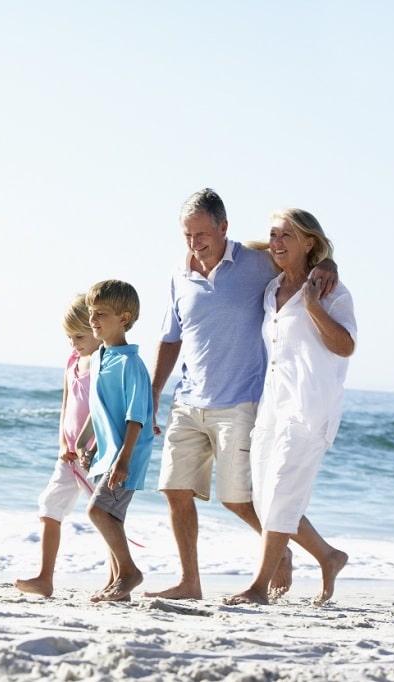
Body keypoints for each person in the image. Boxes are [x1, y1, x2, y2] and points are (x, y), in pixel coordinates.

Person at [144, 188, 338, 601]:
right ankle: (190, 582)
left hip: (240, 403)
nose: (195, 244)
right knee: (175, 491)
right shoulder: (180, 273)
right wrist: (155, 392)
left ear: (223, 228)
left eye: (202, 234)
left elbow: (302, 258)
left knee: (239, 500)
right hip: (188, 400)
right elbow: (170, 337)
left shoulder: (256, 263)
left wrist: (329, 263)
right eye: (187, 236)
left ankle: (289, 551)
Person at [225, 209, 354, 606]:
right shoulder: (271, 288)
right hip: (273, 408)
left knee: (281, 495)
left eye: (288, 236)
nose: (277, 242)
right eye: (274, 235)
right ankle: (329, 557)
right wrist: (291, 251)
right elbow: (250, 249)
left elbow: (346, 345)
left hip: (310, 408)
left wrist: (313, 302)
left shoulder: (333, 290)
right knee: (266, 501)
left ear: (309, 242)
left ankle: (259, 586)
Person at [15, 294, 103, 597]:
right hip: (67, 455)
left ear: (96, 329)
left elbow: (103, 409)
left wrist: (86, 446)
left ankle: (120, 577)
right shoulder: (72, 361)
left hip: (94, 454)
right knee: (50, 506)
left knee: (105, 515)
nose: (73, 343)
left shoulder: (105, 362)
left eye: (79, 336)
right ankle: (44, 577)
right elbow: (67, 404)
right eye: (69, 337)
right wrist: (62, 441)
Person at [78, 279, 154, 602]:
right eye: (91, 313)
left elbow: (135, 417)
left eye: (101, 314)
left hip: (127, 456)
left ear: (124, 318)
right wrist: (86, 444)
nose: (93, 320)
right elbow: (98, 409)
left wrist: (123, 459)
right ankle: (115, 582)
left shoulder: (131, 364)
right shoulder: (99, 358)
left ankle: (130, 573)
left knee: (97, 512)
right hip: (107, 454)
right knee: (112, 519)